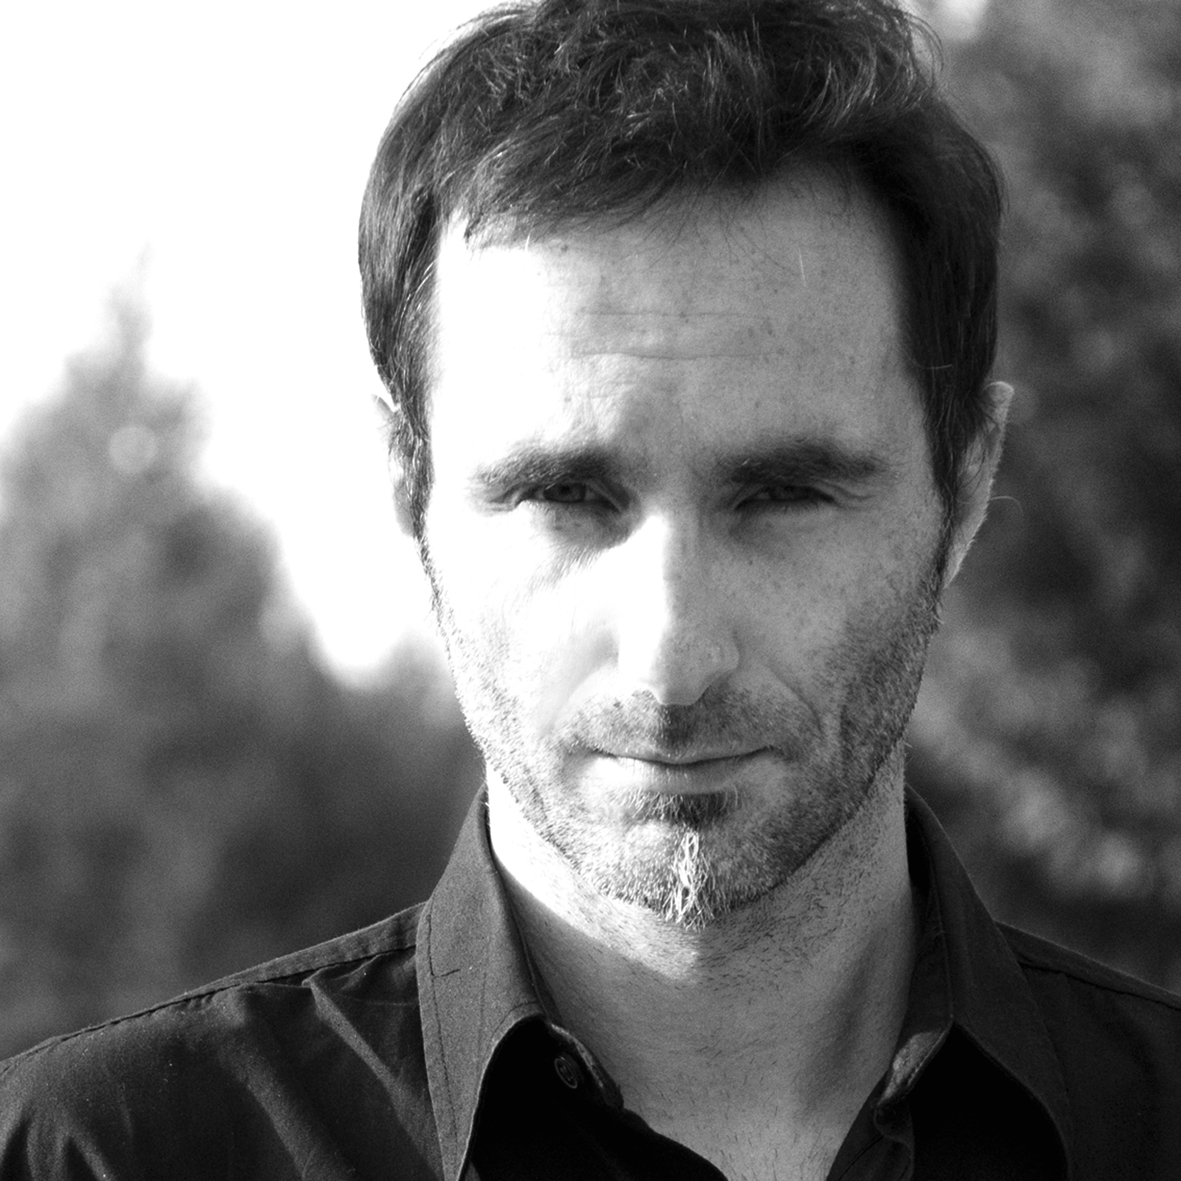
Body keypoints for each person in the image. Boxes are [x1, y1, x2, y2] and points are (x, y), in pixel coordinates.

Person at [3, 0, 1180, 1177]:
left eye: (781, 495)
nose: (671, 654)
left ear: (963, 484)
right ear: (408, 486)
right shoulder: (92, 1156)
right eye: (565, 496)